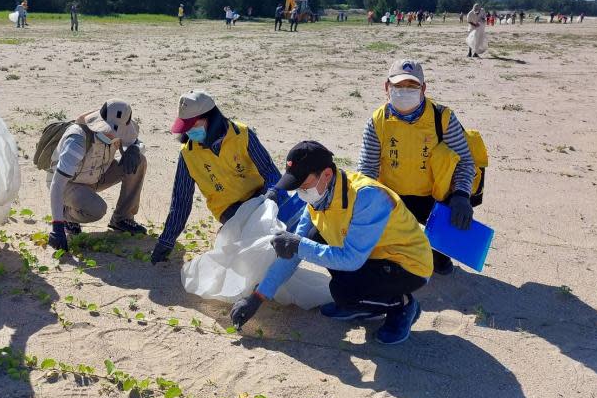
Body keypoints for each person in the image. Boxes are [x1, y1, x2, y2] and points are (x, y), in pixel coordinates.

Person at [229, 141, 433, 345]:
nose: (300, 190)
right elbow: (294, 252)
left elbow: (350, 259)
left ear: (326, 174)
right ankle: (363, 304)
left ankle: (402, 305)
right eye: (295, 185)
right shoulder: (318, 198)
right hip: (371, 257)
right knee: (312, 235)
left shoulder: (367, 196)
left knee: (343, 293)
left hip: (408, 266)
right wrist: (258, 297)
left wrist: (299, 245)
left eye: (303, 183)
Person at [356, 59, 475, 275]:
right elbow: (366, 170)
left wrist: (461, 195)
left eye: (412, 86)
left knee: (440, 265)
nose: (404, 92)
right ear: (386, 88)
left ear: (423, 89)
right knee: (388, 260)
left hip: (435, 198)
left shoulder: (443, 118)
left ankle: (438, 250)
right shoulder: (377, 121)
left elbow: (466, 161)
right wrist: (364, 206)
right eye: (398, 86)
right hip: (393, 198)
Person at [151, 89, 295, 264]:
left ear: (210, 118)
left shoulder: (242, 135)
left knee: (287, 226)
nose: (189, 132)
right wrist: (167, 240)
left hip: (260, 196)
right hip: (229, 210)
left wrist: (275, 197)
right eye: (186, 128)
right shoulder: (187, 155)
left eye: (193, 126)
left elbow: (269, 171)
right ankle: (229, 233)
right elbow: (181, 200)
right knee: (248, 242)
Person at [46, 99, 148, 251]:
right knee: (97, 209)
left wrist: (134, 149)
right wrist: (57, 226)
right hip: (70, 183)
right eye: (108, 130)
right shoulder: (77, 139)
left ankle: (122, 219)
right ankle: (66, 215)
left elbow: (135, 142)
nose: (113, 135)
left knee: (138, 161)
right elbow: (57, 183)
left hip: (97, 175)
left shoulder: (121, 131)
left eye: (117, 132)